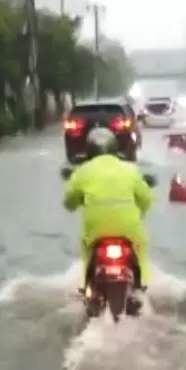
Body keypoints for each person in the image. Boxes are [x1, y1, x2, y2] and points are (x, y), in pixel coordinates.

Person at [62, 127, 153, 301]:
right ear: (115, 149)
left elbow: (68, 203)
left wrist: (79, 201)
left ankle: (84, 285)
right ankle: (142, 284)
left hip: (96, 232)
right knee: (140, 244)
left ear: (89, 151)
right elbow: (147, 201)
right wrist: (139, 212)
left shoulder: (82, 172)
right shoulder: (131, 170)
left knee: (86, 248)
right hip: (129, 230)